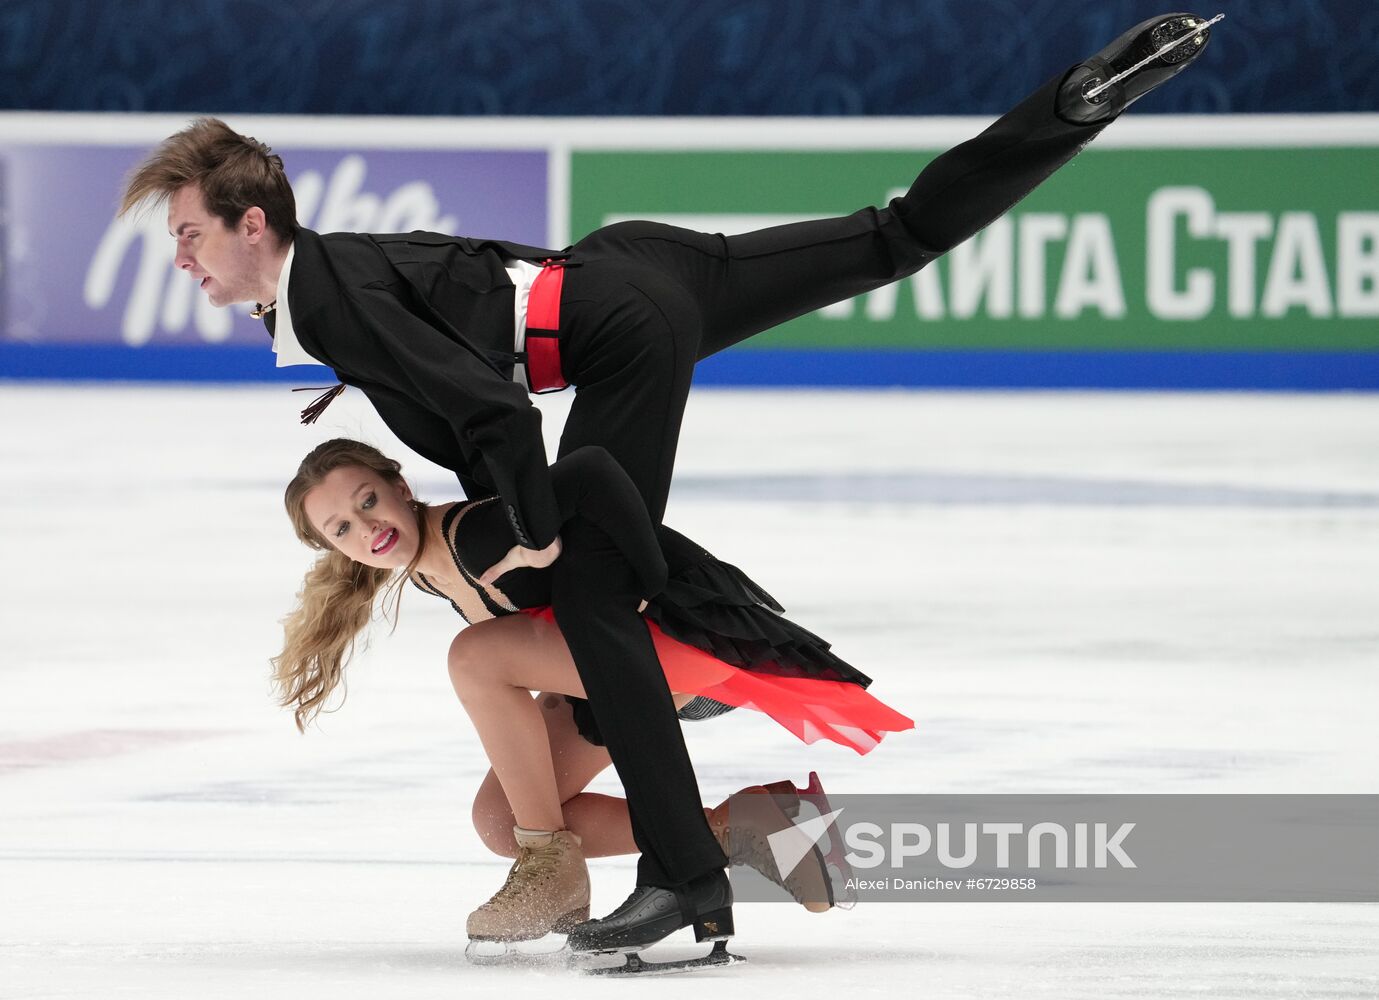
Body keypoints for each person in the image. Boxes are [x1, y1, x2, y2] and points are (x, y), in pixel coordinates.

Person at [121, 13, 1216, 955]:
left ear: (250, 224)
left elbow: (495, 413)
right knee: (892, 236)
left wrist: (541, 532)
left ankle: (687, 877)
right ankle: (1071, 108)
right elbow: (479, 401)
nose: (181, 259)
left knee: (594, 594)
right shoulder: (329, 290)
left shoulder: (331, 295)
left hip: (613, 324)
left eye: (187, 235)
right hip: (634, 267)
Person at [276, 437, 912, 961]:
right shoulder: (428, 570)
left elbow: (591, 482)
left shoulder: (474, 535)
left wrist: (648, 583)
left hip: (668, 635)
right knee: (500, 818)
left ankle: (549, 865)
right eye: (343, 527)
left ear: (401, 488)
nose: (368, 528)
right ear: (334, 548)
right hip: (602, 667)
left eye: (369, 501)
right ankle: (753, 829)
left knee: (473, 658)